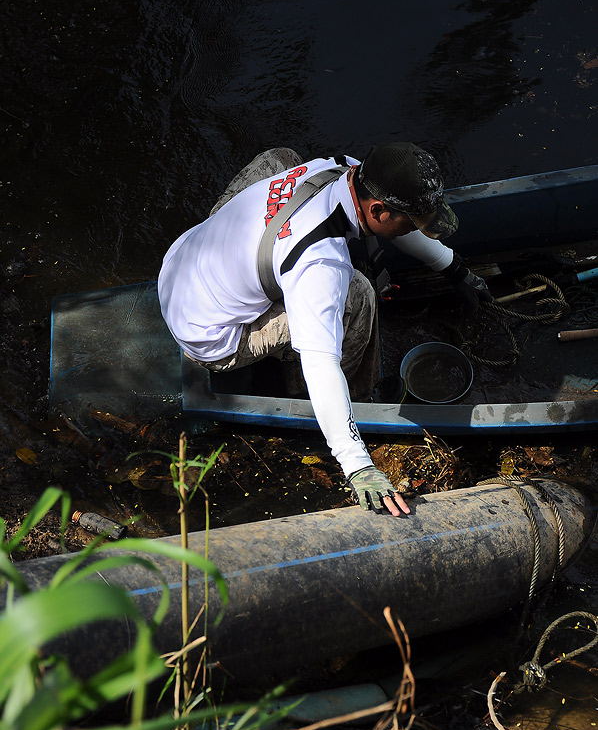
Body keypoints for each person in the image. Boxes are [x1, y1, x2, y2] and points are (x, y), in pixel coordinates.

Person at [158, 142, 491, 517]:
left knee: (281, 160)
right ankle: (340, 402)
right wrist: (357, 463)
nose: (416, 228)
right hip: (213, 336)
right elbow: (320, 364)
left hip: (183, 260)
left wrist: (453, 266)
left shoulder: (344, 169)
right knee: (358, 294)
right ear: (378, 211)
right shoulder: (321, 265)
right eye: (412, 221)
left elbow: (398, 224)